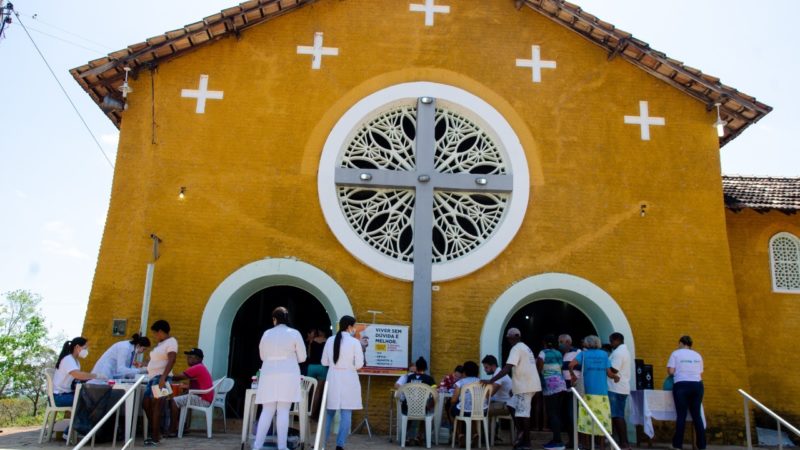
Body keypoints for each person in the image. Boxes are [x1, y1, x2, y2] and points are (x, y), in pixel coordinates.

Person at [253, 307, 307, 450]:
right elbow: (302, 358)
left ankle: (257, 446)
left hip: (269, 373)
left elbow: (262, 356)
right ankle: (282, 447)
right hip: (289, 373)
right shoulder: (294, 333)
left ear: (274, 319)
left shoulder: (266, 333)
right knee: (283, 410)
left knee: (267, 410)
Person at [483, 328, 541, 450]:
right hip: (525, 385)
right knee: (511, 404)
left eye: (509, 338)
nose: (509, 340)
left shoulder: (516, 348)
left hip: (525, 386)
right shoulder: (525, 347)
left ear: (514, 337)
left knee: (523, 414)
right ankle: (520, 432)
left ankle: (526, 442)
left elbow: (507, 368)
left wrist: (491, 380)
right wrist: (514, 387)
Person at [322, 315, 364, 450]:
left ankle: (322, 443)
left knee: (329, 413)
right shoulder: (354, 343)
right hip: (349, 379)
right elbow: (359, 365)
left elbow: (324, 362)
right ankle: (340, 445)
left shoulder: (329, 340)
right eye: (354, 326)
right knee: (346, 413)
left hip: (333, 378)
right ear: (349, 327)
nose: (355, 328)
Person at [569, 335, 614, 450]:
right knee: (602, 419)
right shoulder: (604, 355)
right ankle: (601, 446)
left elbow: (571, 365)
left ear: (587, 344)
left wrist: (573, 376)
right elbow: (609, 373)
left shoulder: (583, 354)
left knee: (585, 420)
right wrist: (616, 377)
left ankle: (586, 446)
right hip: (602, 393)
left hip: (586, 392)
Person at [667, 335, 705, 450]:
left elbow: (671, 371)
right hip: (697, 385)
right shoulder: (698, 355)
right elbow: (700, 371)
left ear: (681, 343)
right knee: (697, 416)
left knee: (681, 415)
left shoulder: (676, 353)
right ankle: (702, 445)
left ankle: (678, 445)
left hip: (681, 385)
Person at [143, 320, 178, 446]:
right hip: (152, 378)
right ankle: (157, 431)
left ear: (161, 331)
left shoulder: (171, 342)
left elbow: (172, 359)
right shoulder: (160, 344)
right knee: (146, 403)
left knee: (157, 404)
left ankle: (155, 436)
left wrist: (164, 377)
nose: (155, 336)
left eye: (155, 333)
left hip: (162, 378)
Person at [167, 348, 214, 437]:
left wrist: (164, 375)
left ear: (199, 359)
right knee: (181, 398)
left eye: (192, 357)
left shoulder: (197, 367)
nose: (188, 359)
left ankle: (172, 430)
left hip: (203, 399)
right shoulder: (200, 367)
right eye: (188, 357)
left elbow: (177, 377)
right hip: (204, 397)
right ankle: (183, 427)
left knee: (173, 401)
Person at [537, 334, 568, 449]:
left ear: (544, 343)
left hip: (550, 386)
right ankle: (556, 438)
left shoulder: (543, 353)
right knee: (557, 413)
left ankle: (558, 441)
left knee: (552, 413)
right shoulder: (559, 353)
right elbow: (560, 366)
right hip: (561, 384)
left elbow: (539, 368)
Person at [53, 337, 99, 407]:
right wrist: (96, 376)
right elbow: (78, 375)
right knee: (88, 401)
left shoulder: (76, 361)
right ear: (77, 347)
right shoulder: (68, 359)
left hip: (66, 394)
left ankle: (82, 418)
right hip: (59, 397)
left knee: (90, 399)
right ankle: (81, 418)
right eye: (85, 348)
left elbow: (77, 378)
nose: (87, 350)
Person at [607, 332, 632, 450]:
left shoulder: (619, 353)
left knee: (617, 416)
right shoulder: (622, 351)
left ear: (617, 340)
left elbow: (613, 370)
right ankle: (620, 442)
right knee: (617, 415)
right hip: (619, 388)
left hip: (616, 388)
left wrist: (604, 366)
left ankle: (624, 443)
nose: (611, 344)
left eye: (611, 341)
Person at [558, 334, 581, 448]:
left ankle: (577, 441)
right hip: (564, 389)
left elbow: (582, 370)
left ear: (568, 342)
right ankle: (572, 440)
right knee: (566, 417)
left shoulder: (578, 352)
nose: (559, 344)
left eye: (561, 342)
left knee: (573, 416)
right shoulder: (561, 355)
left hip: (574, 390)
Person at [481, 355, 512, 431]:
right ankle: (490, 435)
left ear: (493, 366)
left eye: (486, 367)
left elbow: (490, 393)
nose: (485, 370)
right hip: (503, 403)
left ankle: (485, 436)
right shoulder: (497, 373)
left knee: (481, 410)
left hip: (507, 405)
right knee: (482, 407)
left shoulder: (499, 374)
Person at [306, 328, 329, 419]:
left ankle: (305, 411)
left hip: (311, 366)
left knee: (308, 390)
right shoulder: (328, 341)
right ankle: (313, 414)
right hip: (322, 367)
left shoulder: (312, 341)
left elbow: (308, 355)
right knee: (318, 392)